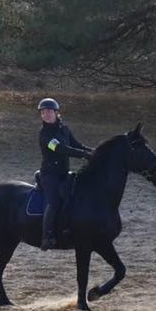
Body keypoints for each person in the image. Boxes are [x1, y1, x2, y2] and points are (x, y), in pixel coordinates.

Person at [36, 97, 93, 250]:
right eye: (43, 112)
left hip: (64, 173)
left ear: (56, 112)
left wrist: (94, 152)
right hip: (49, 175)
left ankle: (68, 228)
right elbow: (61, 149)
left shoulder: (64, 130)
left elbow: (76, 145)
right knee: (53, 201)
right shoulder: (44, 135)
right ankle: (46, 236)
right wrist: (84, 155)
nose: (46, 114)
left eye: (49, 111)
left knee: (72, 196)